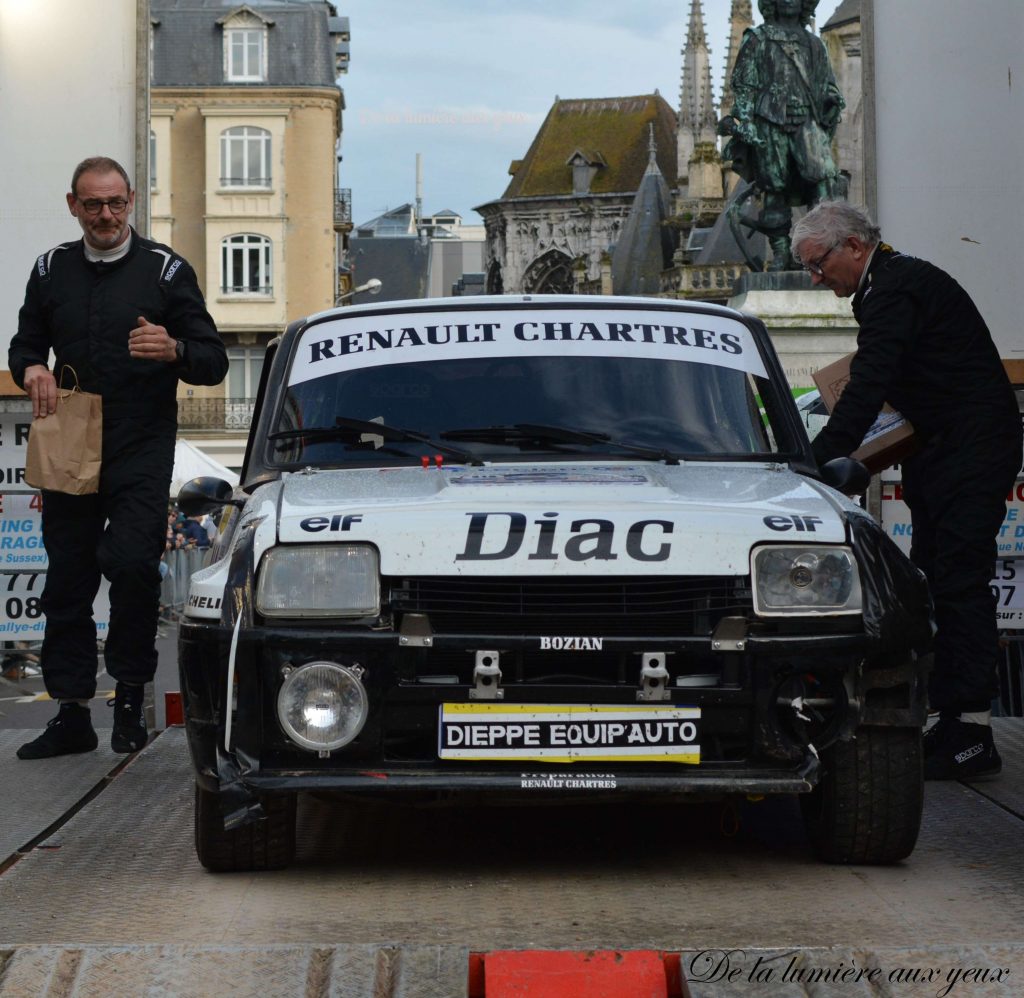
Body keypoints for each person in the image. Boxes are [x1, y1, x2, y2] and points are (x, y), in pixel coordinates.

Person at [791, 200, 1022, 780]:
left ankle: (971, 732)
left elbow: (868, 387)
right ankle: (951, 717)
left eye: (818, 264)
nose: (816, 280)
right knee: (934, 576)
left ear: (854, 247)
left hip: (969, 448)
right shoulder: (892, 283)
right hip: (946, 448)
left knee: (960, 579)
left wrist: (811, 464)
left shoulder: (893, 290)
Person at [10, 156, 228, 759]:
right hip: (70, 439)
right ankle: (72, 713)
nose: (105, 215)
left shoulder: (165, 270)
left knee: (131, 564)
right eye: (92, 204)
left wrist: (175, 347)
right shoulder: (51, 268)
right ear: (72, 205)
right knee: (67, 582)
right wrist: (30, 368)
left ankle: (130, 701)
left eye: (115, 203)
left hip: (140, 440)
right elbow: (25, 342)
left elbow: (214, 361)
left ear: (131, 201)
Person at [719, 0, 844, 270]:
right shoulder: (758, 39)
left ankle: (820, 250)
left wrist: (832, 101)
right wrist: (747, 121)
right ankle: (780, 254)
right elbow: (743, 85)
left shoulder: (813, 44)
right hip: (770, 120)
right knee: (774, 188)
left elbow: (826, 84)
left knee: (822, 183)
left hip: (807, 122)